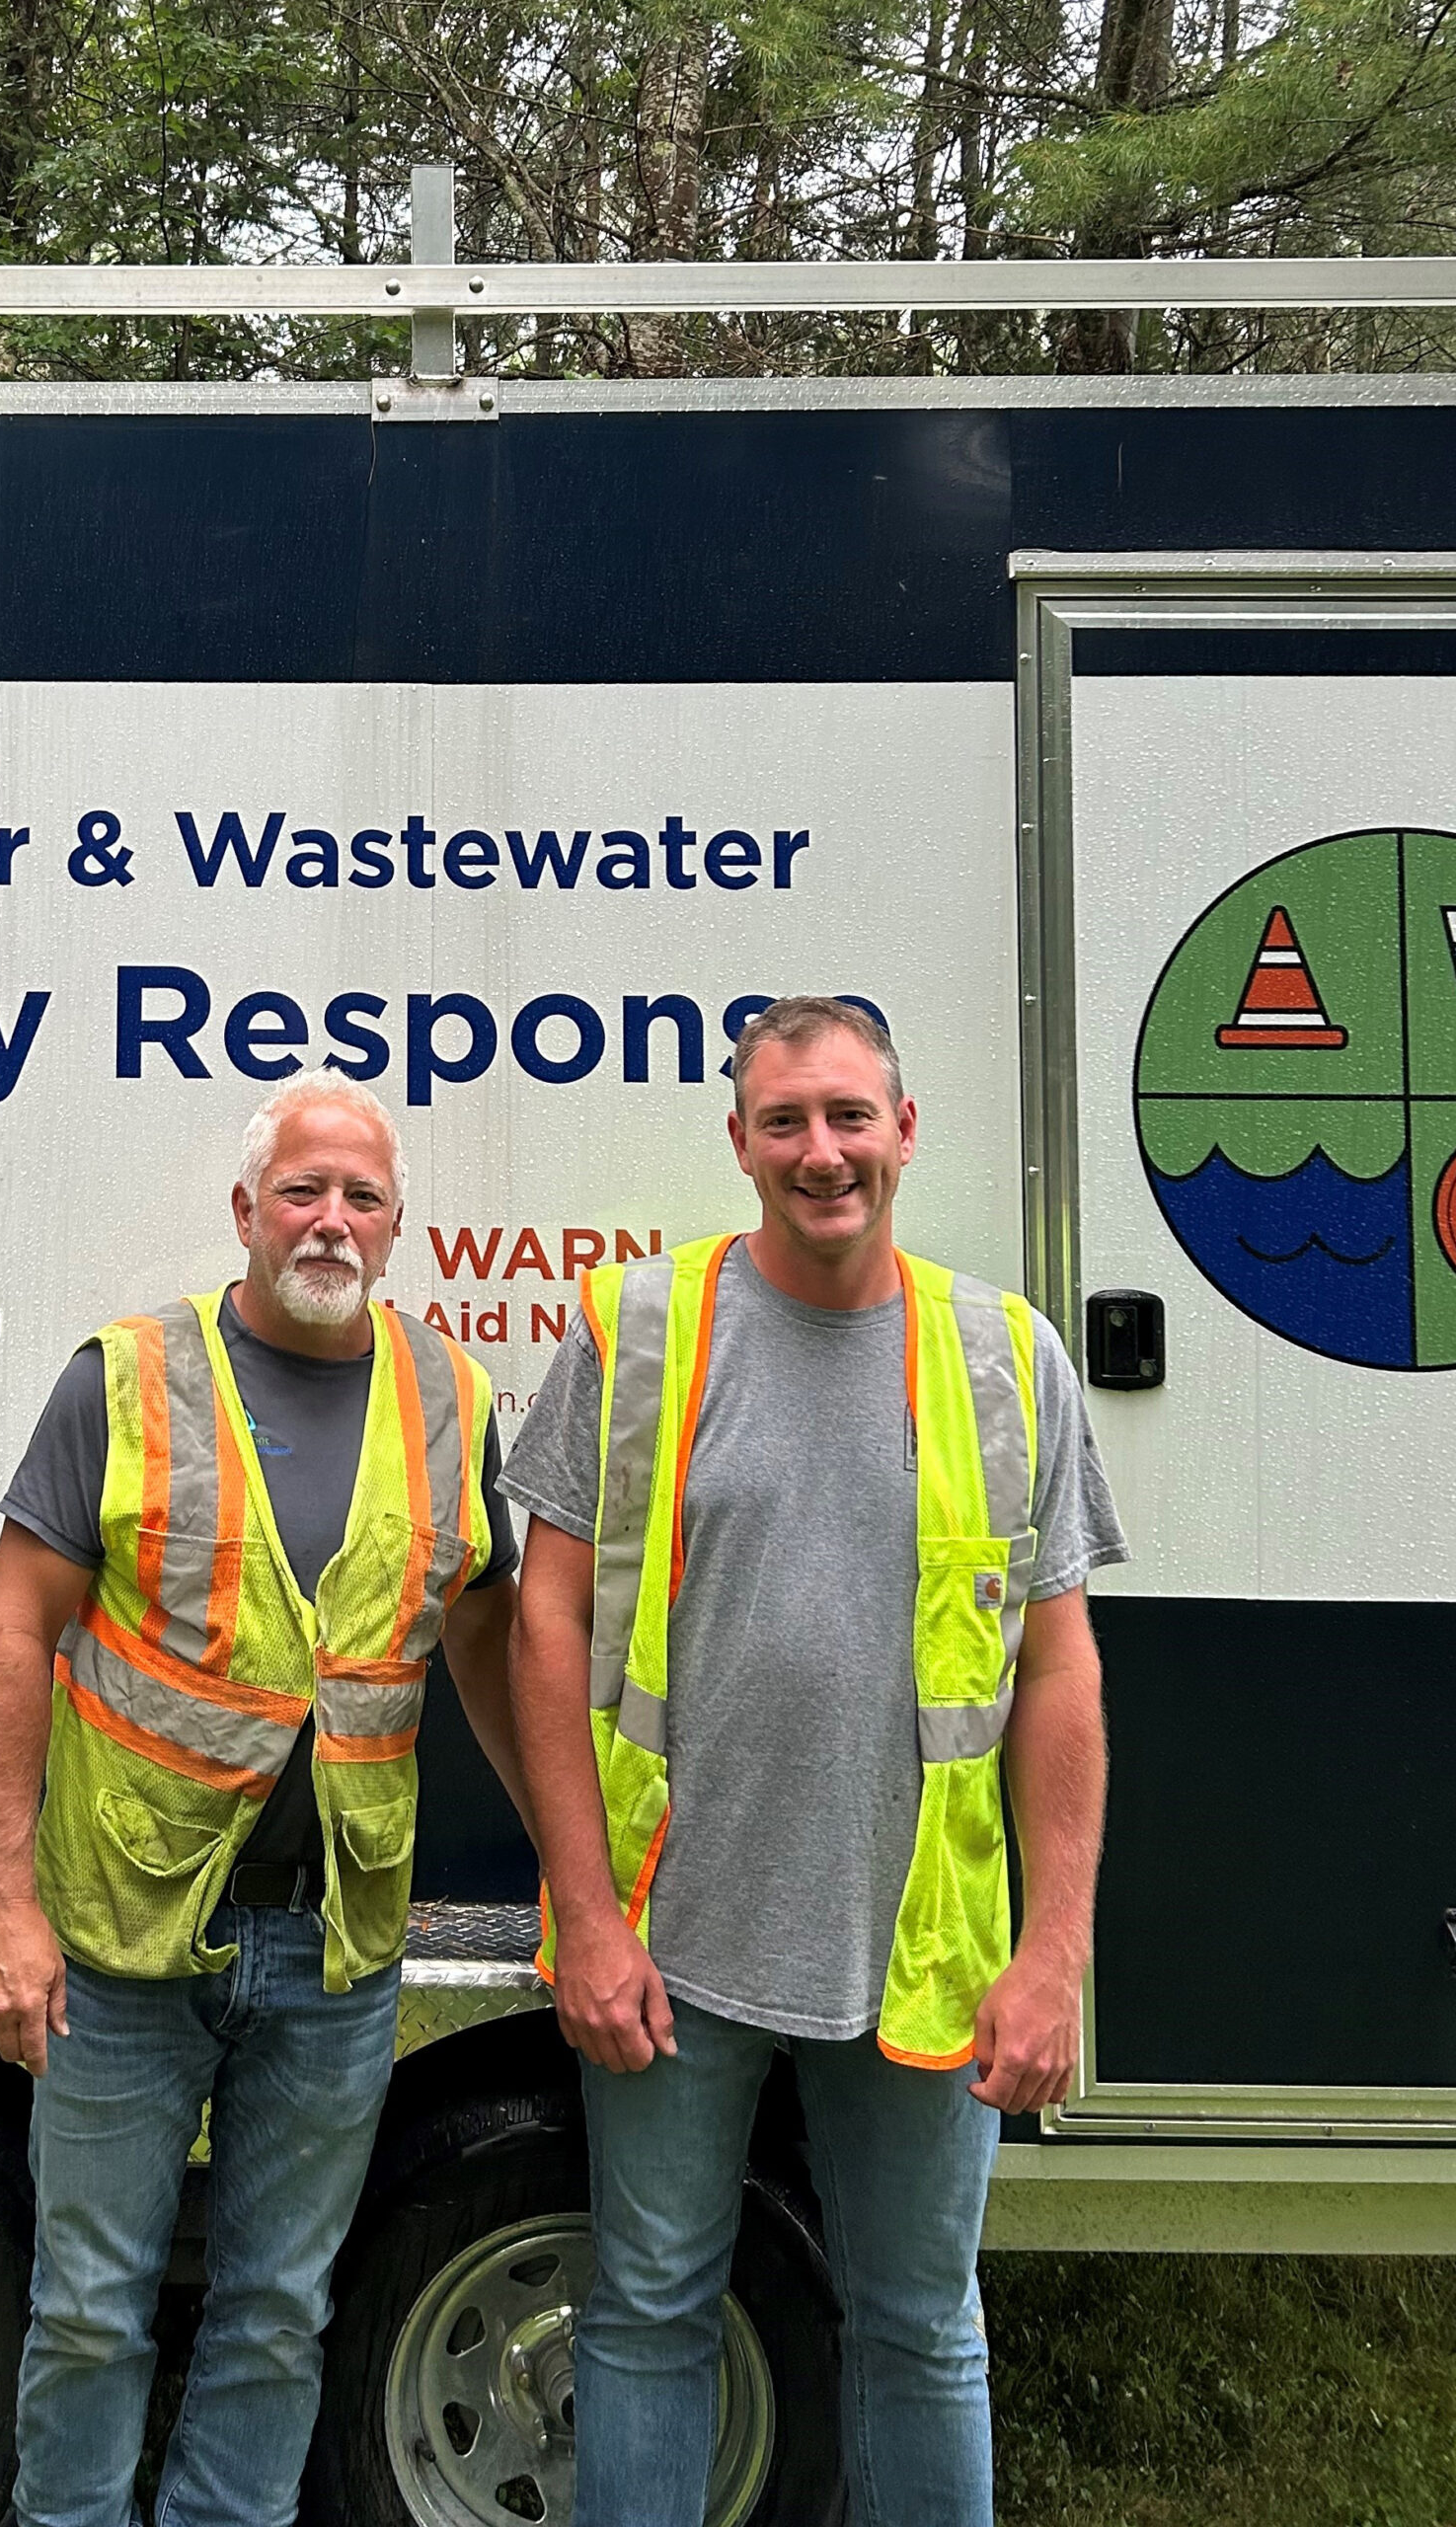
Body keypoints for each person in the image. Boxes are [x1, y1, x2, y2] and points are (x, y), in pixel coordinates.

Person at [503, 995, 1123, 2527]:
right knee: (648, 2315)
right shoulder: (635, 1329)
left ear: (905, 1132)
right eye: (784, 1121)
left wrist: (1055, 1955)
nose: (822, 1151)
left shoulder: (1007, 1357)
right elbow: (545, 1616)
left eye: (850, 1116)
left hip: (922, 1953)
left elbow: (1060, 1670)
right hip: (671, 1933)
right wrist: (583, 1914)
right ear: (738, 1143)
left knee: (923, 2330)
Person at [0, 1071, 529, 2527]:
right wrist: (2, 1901)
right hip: (119, 1943)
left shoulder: (454, 1395)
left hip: (334, 1952)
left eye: (360, 1197)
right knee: (91, 2307)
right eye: (302, 1191)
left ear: (399, 1227)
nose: (329, 1221)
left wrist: (573, 1871)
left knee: (279, 2314)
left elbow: (479, 1633)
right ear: (245, 1214)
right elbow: (15, 1631)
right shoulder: (125, 1377)